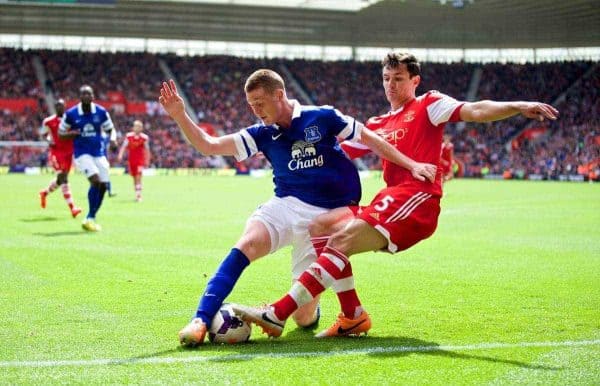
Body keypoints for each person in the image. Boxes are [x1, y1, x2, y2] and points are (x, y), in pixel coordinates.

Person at [232, 52, 559, 339]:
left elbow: (474, 109)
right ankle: (353, 316)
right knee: (321, 226)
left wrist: (518, 106)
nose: (391, 84)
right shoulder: (378, 123)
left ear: (414, 80)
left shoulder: (429, 105)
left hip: (417, 198)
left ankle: (277, 313)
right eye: (386, 78)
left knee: (340, 240)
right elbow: (334, 153)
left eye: (398, 78)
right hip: (390, 198)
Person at [158, 70, 437, 347]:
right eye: (251, 105)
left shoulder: (323, 116)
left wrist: (411, 165)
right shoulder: (261, 133)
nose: (256, 111)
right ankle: (200, 320)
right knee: (247, 243)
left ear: (279, 94)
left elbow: (369, 138)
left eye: (260, 103)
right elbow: (209, 145)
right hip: (286, 205)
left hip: (331, 212)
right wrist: (180, 115)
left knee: (303, 318)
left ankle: (313, 309)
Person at [59, 85, 116, 232]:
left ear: (93, 96)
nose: (86, 96)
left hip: (99, 153)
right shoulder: (71, 114)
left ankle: (91, 217)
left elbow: (111, 129)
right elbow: (60, 133)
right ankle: (90, 217)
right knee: (95, 181)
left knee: (103, 186)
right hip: (82, 154)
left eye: (89, 94)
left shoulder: (101, 112)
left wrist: (113, 139)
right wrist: (72, 134)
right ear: (79, 97)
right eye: (83, 94)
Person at [38, 98, 82, 218]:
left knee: (61, 178)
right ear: (55, 107)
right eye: (57, 106)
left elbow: (76, 133)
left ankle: (44, 193)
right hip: (56, 153)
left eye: (61, 106)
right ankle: (73, 208)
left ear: (65, 107)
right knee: (63, 178)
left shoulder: (70, 120)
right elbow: (43, 134)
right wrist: (48, 141)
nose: (59, 108)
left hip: (69, 153)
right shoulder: (48, 121)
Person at [117, 120, 150, 202]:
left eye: (139, 126)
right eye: (136, 126)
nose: (138, 128)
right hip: (131, 160)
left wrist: (147, 160)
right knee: (134, 178)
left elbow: (147, 150)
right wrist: (120, 154)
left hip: (140, 161)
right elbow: (124, 146)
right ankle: (137, 194)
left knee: (139, 177)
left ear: (141, 128)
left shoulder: (144, 138)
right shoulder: (129, 136)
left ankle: (139, 196)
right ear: (133, 127)